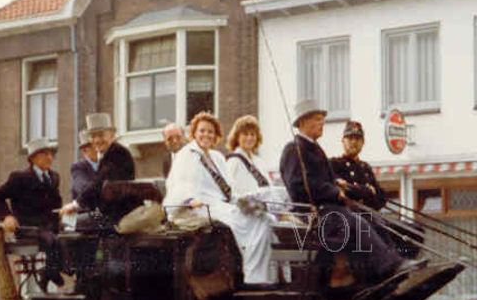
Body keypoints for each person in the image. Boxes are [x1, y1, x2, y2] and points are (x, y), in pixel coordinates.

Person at [279, 99, 424, 283]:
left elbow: (322, 181)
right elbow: (297, 186)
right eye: (317, 119)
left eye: (322, 119)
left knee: (376, 220)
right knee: (359, 221)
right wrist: (334, 192)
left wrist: (337, 186)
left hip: (331, 210)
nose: (322, 123)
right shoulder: (294, 149)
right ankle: (389, 266)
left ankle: (393, 266)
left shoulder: (314, 149)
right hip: (314, 213)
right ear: (303, 122)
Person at [164, 112, 274, 284]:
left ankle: (259, 274)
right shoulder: (187, 154)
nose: (206, 135)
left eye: (210, 131)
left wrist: (247, 202)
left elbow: (230, 190)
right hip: (200, 206)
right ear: (194, 133)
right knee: (243, 219)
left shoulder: (217, 157)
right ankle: (252, 278)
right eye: (202, 131)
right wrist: (188, 200)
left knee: (265, 217)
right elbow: (178, 185)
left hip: (222, 204)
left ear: (216, 135)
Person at [0, 138, 64, 291]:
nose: (49, 158)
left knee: (71, 236)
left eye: (51, 154)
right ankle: (50, 272)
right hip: (27, 227)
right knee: (50, 239)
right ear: (33, 158)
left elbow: (56, 203)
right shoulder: (19, 178)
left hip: (48, 226)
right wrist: (6, 216)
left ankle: (53, 271)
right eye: (45, 154)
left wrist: (61, 213)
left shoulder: (54, 177)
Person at [60, 113, 138, 227]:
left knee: (68, 222)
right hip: (108, 214)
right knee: (72, 221)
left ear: (112, 136)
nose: (97, 140)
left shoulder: (117, 153)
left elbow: (100, 182)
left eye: (101, 135)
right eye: (93, 136)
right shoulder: (108, 154)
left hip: (115, 216)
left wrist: (75, 204)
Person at [329, 120, 386, 210]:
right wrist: (368, 191)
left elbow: (381, 199)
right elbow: (337, 192)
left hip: (369, 215)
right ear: (343, 141)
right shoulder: (334, 164)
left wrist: (359, 191)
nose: (354, 142)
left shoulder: (365, 167)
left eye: (357, 139)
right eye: (350, 138)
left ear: (363, 142)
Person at [70, 129, 99, 201]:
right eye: (94, 146)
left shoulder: (106, 165)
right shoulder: (77, 168)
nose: (98, 149)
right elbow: (83, 189)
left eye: (98, 144)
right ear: (84, 150)